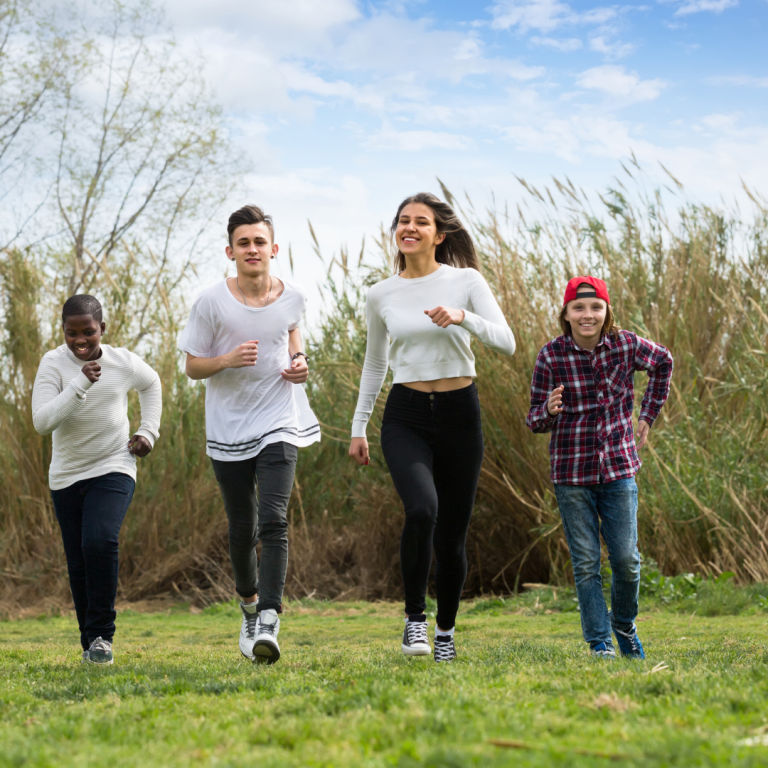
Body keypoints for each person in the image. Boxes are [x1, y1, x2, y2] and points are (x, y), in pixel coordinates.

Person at [348, 192, 516, 662]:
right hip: (407, 414)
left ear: (439, 235)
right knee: (422, 510)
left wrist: (464, 318)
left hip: (461, 413)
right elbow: (375, 362)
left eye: (421, 222)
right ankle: (414, 621)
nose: (410, 228)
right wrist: (359, 426)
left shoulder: (465, 281)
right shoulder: (380, 293)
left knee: (452, 534)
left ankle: (445, 631)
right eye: (403, 220)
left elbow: (507, 342)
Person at [179, 204, 320, 665]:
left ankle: (270, 619)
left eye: (260, 241)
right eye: (244, 243)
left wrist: (299, 363)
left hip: (279, 418)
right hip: (228, 426)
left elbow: (291, 332)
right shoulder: (210, 302)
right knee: (242, 527)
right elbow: (192, 366)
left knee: (274, 519)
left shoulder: (293, 296)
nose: (252, 249)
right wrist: (225, 360)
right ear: (231, 251)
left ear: (273, 248)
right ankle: (247, 605)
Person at [526, 277, 673, 659]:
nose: (587, 315)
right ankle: (600, 643)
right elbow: (534, 420)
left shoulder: (625, 345)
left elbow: (663, 362)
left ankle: (623, 623)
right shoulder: (551, 356)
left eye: (595, 307)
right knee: (587, 561)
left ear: (607, 312)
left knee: (626, 559)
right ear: (566, 314)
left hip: (619, 468)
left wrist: (648, 416)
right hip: (572, 474)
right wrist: (548, 410)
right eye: (578, 308)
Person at [31, 295, 162, 665]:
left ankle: (103, 636)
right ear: (64, 331)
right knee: (78, 562)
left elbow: (151, 385)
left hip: (114, 464)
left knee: (100, 542)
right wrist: (78, 385)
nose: (80, 340)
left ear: (103, 329)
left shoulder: (122, 362)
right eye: (71, 332)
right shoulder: (53, 364)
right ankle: (90, 643)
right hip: (67, 475)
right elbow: (42, 422)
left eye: (88, 331)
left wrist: (148, 432)